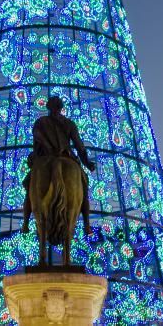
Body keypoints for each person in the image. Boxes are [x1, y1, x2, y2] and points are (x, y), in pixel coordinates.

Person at [22, 96, 96, 234]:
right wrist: (87, 163)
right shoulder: (69, 123)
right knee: (84, 186)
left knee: (29, 186)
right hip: (66, 156)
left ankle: (25, 223)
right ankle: (87, 224)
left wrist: (43, 151)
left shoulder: (40, 122)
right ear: (61, 108)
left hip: (45, 157)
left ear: (48, 107)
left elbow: (38, 139)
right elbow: (79, 146)